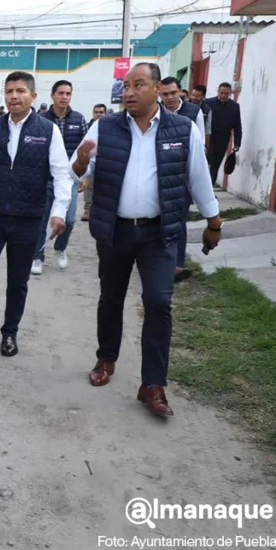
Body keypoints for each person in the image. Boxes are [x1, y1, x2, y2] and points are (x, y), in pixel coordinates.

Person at [72, 63, 223, 418]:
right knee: (110, 298)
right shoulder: (104, 127)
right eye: (125, 85)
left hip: (159, 233)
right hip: (114, 230)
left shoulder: (182, 129)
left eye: (138, 84)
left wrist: (213, 221)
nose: (128, 92)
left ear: (157, 89)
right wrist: (80, 163)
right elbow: (76, 171)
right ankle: (106, 358)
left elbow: (198, 179)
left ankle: (152, 384)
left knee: (158, 303)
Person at [0, 71, 72, 364]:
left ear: (33, 97)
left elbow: (61, 174)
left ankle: (10, 332)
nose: (14, 96)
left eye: (21, 91)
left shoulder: (48, 130)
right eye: (9, 91)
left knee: (18, 280)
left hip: (28, 217)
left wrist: (59, 211)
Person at [32, 80, 87, 274]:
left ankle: (60, 248)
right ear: (53, 95)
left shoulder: (79, 119)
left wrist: (85, 175)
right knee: (42, 218)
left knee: (70, 219)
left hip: (70, 178)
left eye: (68, 93)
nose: (64, 97)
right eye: (61, 93)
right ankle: (37, 256)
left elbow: (85, 149)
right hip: (44, 178)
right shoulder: (41, 120)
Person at [159, 77, 206, 283]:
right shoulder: (156, 112)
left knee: (178, 220)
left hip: (183, 176)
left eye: (172, 93)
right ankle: (157, 260)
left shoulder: (194, 112)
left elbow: (200, 146)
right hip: (161, 174)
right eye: (165, 94)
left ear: (180, 92)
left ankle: (177, 264)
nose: (169, 97)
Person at [204, 82, 243, 187]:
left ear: (230, 93)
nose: (224, 95)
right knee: (202, 164)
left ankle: (209, 190)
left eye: (226, 93)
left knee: (215, 166)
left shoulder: (235, 107)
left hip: (222, 140)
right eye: (222, 93)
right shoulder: (207, 103)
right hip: (206, 139)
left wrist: (237, 143)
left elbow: (237, 126)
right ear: (218, 92)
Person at [81, 104, 109, 221]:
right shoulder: (88, 127)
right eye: (96, 112)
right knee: (89, 186)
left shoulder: (111, 127)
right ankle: (88, 208)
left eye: (101, 112)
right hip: (91, 161)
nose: (98, 114)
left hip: (106, 161)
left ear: (105, 113)